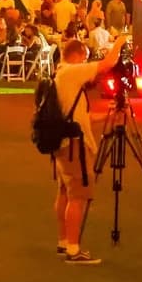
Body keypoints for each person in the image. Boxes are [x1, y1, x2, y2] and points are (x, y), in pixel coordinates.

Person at [49, 35, 125, 265]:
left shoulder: (60, 75)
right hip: (74, 147)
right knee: (78, 196)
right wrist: (120, 42)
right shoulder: (72, 72)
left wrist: (109, 115)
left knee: (65, 192)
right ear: (80, 55)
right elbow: (107, 64)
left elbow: (82, 117)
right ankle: (73, 249)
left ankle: (64, 242)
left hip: (64, 143)